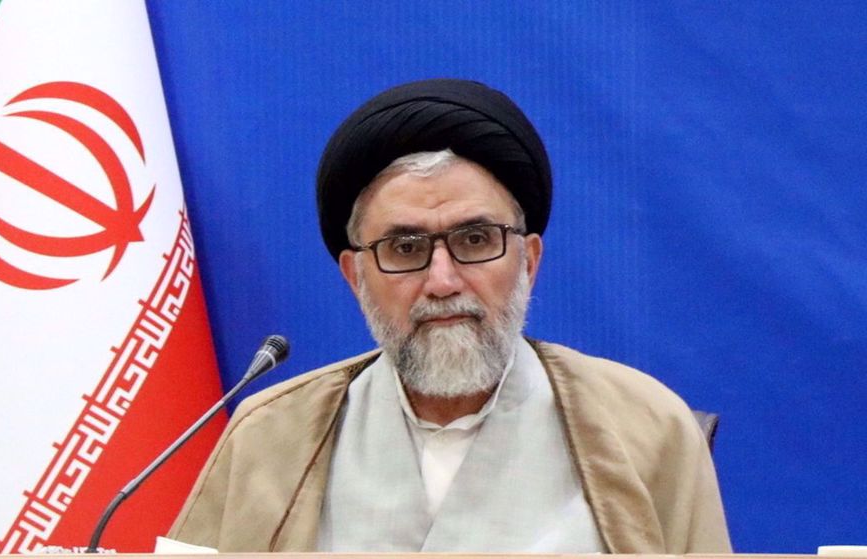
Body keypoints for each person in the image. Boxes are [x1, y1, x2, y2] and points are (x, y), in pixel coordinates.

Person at [169, 79, 731, 553]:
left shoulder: (645, 426)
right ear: (354, 275)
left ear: (528, 260)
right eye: (405, 248)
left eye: (476, 238)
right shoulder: (269, 436)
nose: (442, 281)